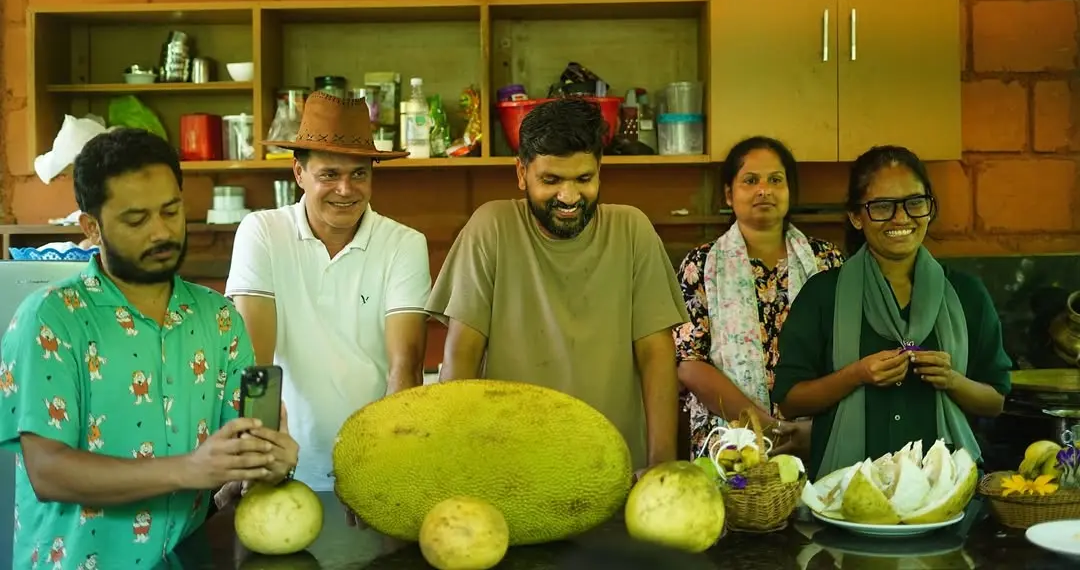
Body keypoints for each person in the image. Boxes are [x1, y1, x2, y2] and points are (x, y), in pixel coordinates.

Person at [0, 127, 298, 568]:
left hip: (185, 560)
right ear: (92, 227)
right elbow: (49, 471)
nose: (161, 232)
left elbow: (242, 449)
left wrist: (270, 460)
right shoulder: (52, 318)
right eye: (137, 220)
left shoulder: (218, 319)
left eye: (171, 211)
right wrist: (189, 468)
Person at [425, 97, 688, 474]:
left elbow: (656, 355)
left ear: (600, 170)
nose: (569, 197)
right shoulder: (491, 227)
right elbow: (460, 355)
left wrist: (661, 465)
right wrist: (453, 461)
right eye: (551, 180)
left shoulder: (633, 231)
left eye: (584, 179)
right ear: (521, 174)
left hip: (614, 470)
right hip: (510, 469)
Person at [225, 91, 431, 497]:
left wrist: (384, 468)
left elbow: (404, 368)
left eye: (359, 174)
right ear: (298, 173)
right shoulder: (262, 232)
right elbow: (256, 365)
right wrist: (258, 461)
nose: (345, 189)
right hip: (285, 469)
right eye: (328, 174)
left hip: (373, 467)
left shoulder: (404, 244)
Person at [771, 145, 1013, 481]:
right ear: (857, 217)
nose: (901, 218)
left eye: (914, 203)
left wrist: (952, 381)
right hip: (849, 490)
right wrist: (856, 374)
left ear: (930, 208)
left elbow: (996, 400)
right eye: (882, 207)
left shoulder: (967, 294)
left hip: (945, 489)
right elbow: (790, 400)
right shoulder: (823, 295)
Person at [673, 137, 844, 462]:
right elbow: (690, 365)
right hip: (727, 435)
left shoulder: (826, 261)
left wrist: (808, 430)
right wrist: (766, 426)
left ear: (790, 190)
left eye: (775, 180)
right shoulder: (701, 265)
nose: (764, 190)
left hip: (816, 434)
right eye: (750, 180)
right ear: (728, 193)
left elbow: (846, 353)